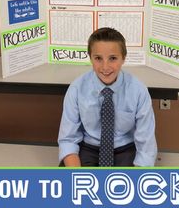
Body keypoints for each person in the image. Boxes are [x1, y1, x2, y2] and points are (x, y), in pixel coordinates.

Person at [58, 27, 157, 167]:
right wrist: (78, 177)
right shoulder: (76, 89)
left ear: (123, 58)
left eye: (113, 58)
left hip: (125, 149)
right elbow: (68, 139)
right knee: (73, 186)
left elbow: (146, 144)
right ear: (90, 57)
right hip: (88, 147)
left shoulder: (138, 91)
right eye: (98, 58)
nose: (105, 67)